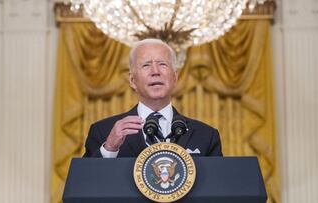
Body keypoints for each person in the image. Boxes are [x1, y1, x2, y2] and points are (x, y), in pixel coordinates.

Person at [83, 39, 222, 158]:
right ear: (132, 80)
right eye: (146, 65)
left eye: (162, 64)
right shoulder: (103, 131)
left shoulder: (206, 135)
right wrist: (109, 148)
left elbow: (219, 187)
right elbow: (86, 185)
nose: (155, 72)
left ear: (175, 77)